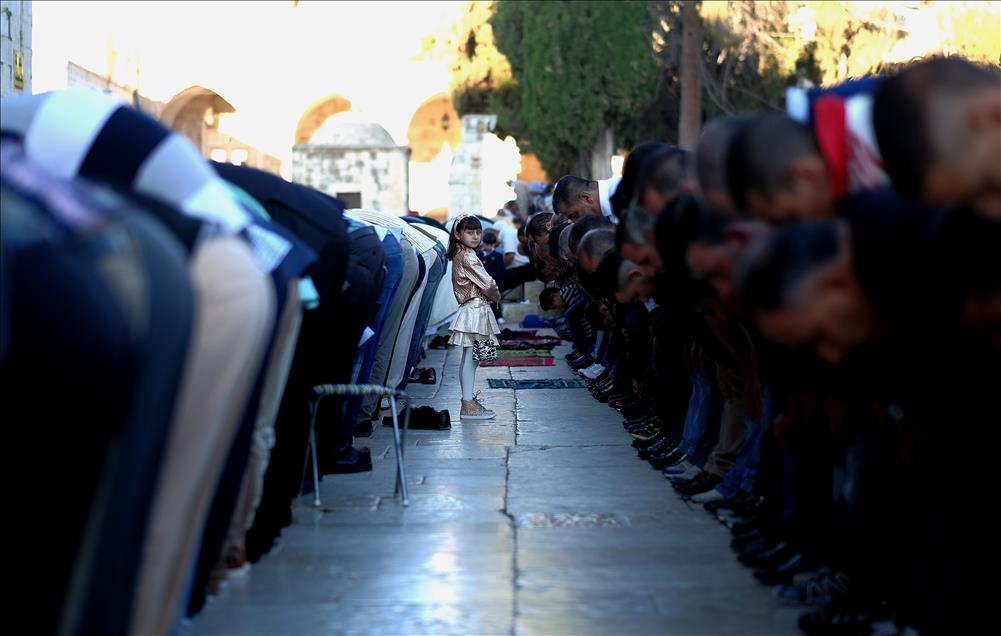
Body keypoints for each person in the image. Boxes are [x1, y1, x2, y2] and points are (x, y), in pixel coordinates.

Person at [446, 214, 501, 421]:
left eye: (478, 232)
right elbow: (488, 284)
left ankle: (468, 402)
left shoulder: (463, 253)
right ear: (458, 234)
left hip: (473, 309)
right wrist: (497, 296)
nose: (476, 236)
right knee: (471, 359)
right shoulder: (468, 256)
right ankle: (467, 404)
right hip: (475, 310)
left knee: (471, 358)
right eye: (470, 232)